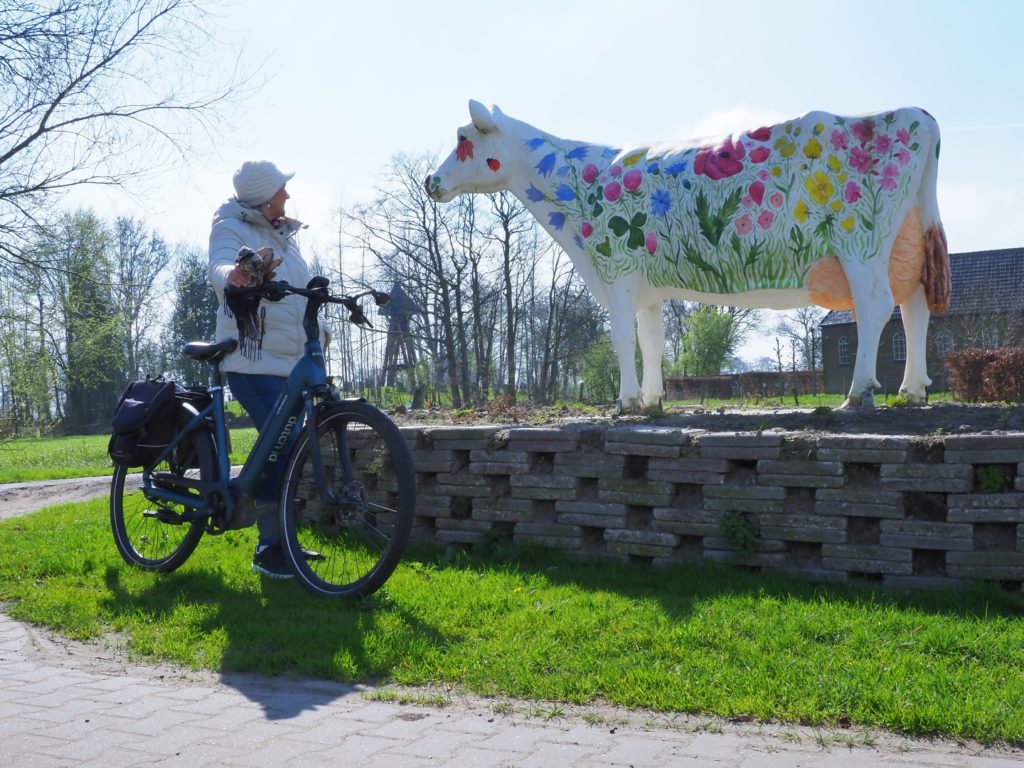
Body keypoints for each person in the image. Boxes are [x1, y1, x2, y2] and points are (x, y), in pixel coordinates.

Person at [208, 160, 327, 579]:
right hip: (252, 361)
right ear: (264, 196)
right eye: (282, 189)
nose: (288, 196)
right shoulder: (231, 227)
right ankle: (268, 547)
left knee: (289, 448)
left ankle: (285, 543)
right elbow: (221, 267)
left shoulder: (283, 237)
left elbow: (296, 293)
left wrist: (321, 328)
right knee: (283, 445)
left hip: (288, 362)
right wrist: (238, 274)